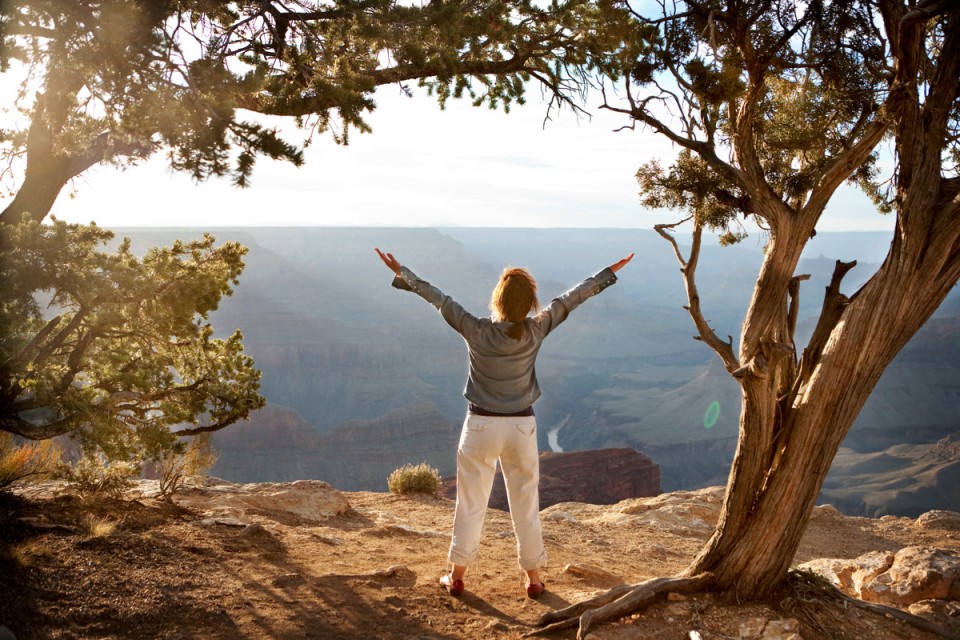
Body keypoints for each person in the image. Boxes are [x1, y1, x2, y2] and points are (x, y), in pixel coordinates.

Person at [375, 247, 634, 598]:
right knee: (525, 504)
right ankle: (533, 579)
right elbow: (571, 299)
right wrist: (608, 273)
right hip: (521, 427)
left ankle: (457, 575)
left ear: (497, 299)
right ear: (529, 303)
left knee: (471, 503)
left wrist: (402, 271)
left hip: (480, 426)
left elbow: (438, 299)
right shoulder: (536, 329)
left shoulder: (475, 329)